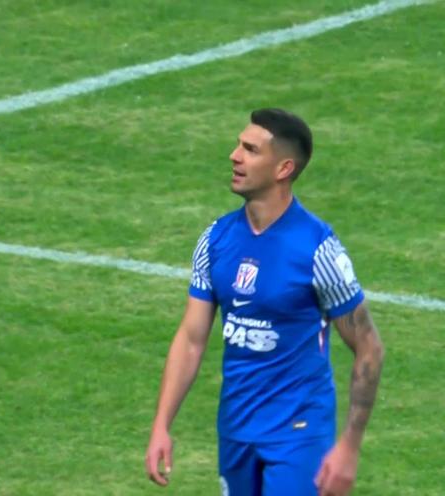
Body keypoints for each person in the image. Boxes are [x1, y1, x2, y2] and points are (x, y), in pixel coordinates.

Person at [145, 108, 385, 496]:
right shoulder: (215, 240)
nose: (234, 156)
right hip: (235, 430)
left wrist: (349, 448)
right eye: (239, 146)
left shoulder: (318, 250)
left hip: (298, 434)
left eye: (250, 150)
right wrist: (161, 425)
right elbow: (191, 339)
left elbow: (369, 347)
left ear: (283, 169)